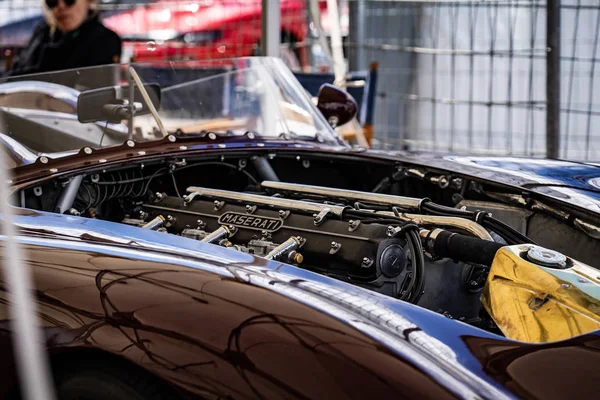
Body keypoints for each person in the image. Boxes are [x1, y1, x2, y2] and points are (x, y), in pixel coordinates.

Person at [7, 0, 122, 76]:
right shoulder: (43, 32)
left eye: (69, 0)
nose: (61, 6)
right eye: (52, 1)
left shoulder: (105, 40)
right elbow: (15, 73)